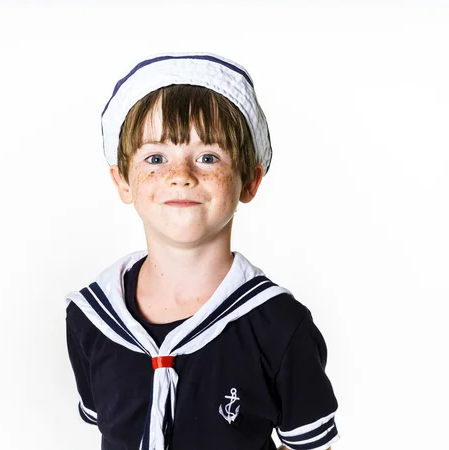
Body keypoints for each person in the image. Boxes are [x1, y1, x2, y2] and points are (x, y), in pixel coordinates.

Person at [65, 52, 340, 450]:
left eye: (208, 157)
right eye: (156, 158)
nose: (180, 176)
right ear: (123, 181)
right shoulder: (90, 318)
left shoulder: (279, 326)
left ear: (250, 181)